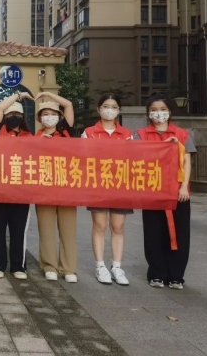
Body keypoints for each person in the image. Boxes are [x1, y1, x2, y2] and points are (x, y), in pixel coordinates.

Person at [135, 93, 195, 290]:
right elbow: (133, 158)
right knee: (153, 234)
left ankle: (176, 276)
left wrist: (184, 186)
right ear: (148, 114)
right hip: (152, 192)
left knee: (180, 234)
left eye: (162, 109)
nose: (158, 113)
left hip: (178, 192)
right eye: (153, 110)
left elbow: (186, 161)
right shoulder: (141, 134)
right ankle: (156, 274)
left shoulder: (182, 134)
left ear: (169, 112)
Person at [82, 94, 132, 286]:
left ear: (119, 110)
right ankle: (100, 266)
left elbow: (133, 158)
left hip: (120, 185)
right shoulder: (89, 132)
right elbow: (82, 158)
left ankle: (117, 267)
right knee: (99, 225)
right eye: (105, 106)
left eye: (113, 106)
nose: (109, 110)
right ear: (99, 109)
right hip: (98, 185)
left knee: (118, 227)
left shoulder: (127, 134)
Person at [0, 92, 34, 279]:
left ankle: (18, 267)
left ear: (23, 117)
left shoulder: (30, 136)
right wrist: (18, 95)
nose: (13, 117)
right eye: (10, 114)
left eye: (17, 115)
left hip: (21, 193)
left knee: (18, 231)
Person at [33, 91, 78, 283]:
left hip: (67, 187)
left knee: (68, 230)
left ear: (59, 117)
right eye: (45, 114)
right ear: (39, 118)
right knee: (46, 229)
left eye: (53, 114)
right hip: (44, 188)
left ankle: (68, 268)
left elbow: (68, 105)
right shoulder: (34, 138)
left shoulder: (66, 132)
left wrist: (47, 94)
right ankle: (49, 266)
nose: (49, 117)